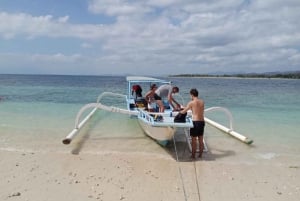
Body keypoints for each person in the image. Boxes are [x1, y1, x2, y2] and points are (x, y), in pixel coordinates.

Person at [179, 88, 205, 159]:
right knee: (200, 139)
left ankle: (193, 156)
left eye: (190, 95)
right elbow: (197, 109)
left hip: (195, 122)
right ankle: (200, 155)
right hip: (202, 122)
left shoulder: (191, 102)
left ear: (192, 95)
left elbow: (184, 111)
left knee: (194, 141)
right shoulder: (202, 102)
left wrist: (179, 112)